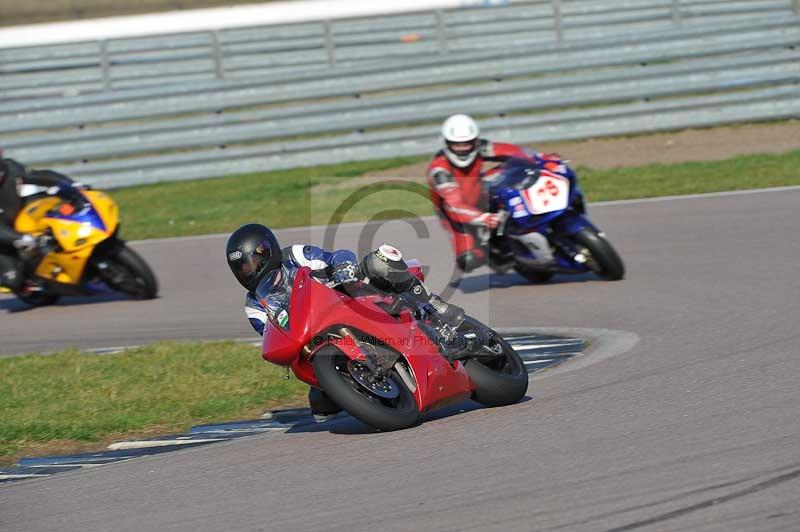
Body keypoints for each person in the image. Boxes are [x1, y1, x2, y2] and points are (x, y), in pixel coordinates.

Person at [225, 223, 466, 416]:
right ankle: (373, 386)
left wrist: (342, 267)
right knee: (321, 404)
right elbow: (272, 333)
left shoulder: (294, 256)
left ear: (267, 252)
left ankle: (434, 306)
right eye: (242, 268)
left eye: (252, 262)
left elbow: (334, 256)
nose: (249, 270)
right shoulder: (254, 305)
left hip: (348, 297)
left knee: (377, 263)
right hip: (316, 337)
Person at [427, 114, 532, 272]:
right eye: (457, 145)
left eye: (467, 144)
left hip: (482, 194)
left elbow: (514, 152)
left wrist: (535, 161)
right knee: (468, 261)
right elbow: (454, 206)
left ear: (475, 141)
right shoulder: (439, 170)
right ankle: (492, 252)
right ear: (446, 144)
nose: (462, 149)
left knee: (515, 173)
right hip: (457, 216)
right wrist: (484, 218)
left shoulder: (481, 147)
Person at [0, 151, 80, 292]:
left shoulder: (10, 167)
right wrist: (18, 238)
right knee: (13, 281)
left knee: (59, 202)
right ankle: (30, 284)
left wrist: (70, 184)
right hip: (3, 240)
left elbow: (38, 175)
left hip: (20, 216)